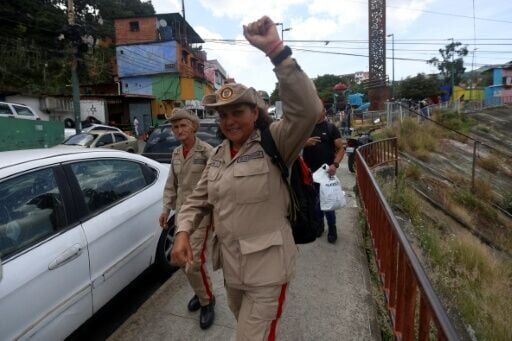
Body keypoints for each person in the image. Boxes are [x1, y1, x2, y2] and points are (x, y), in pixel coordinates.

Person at [171, 15, 322, 340]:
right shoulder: (219, 156)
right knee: (247, 328)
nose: (229, 121)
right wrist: (182, 231)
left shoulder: (277, 142)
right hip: (233, 271)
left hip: (269, 271)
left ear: (255, 113)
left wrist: (277, 52)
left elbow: (308, 109)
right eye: (223, 115)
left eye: (237, 111)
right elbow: (197, 199)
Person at [159, 108, 216, 329]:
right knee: (182, 261)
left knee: (193, 264)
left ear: (193, 126)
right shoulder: (176, 153)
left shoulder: (207, 152)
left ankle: (207, 300)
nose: (179, 130)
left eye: (183, 125)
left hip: (201, 215)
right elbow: (171, 185)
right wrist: (166, 209)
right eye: (175, 127)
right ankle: (202, 290)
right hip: (182, 215)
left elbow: (217, 185)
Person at [303, 107, 345, 243]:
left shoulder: (331, 128)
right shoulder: (305, 129)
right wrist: (305, 143)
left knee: (328, 203)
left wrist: (335, 164)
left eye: (318, 109)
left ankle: (332, 228)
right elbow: (293, 146)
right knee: (315, 203)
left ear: (324, 111)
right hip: (310, 173)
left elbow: (341, 149)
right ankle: (319, 225)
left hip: (327, 173)